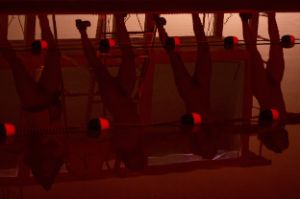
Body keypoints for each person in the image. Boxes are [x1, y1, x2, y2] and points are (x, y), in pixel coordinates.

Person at [76, 14, 146, 171]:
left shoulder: (121, 146)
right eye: (139, 162)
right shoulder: (140, 141)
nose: (137, 160)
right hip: (126, 94)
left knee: (98, 68)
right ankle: (119, 17)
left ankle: (82, 31)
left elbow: (112, 129)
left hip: (115, 103)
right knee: (128, 56)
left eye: (134, 163)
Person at [0, 14, 63, 128]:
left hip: (36, 105)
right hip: (42, 102)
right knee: (17, 63)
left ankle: (41, 14)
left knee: (16, 63)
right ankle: (42, 14)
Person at [240, 12, 289, 153]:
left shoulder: (264, 128)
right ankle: (271, 14)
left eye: (279, 141)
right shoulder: (285, 121)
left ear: (273, 140)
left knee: (253, 52)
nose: (281, 138)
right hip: (275, 83)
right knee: (277, 48)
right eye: (283, 140)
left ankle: (244, 20)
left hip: (262, 90)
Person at [153, 13, 212, 119]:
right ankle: (194, 14)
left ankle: (159, 25)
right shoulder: (208, 127)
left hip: (191, 95)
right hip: (199, 92)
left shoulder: (198, 130)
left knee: (174, 56)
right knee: (203, 49)